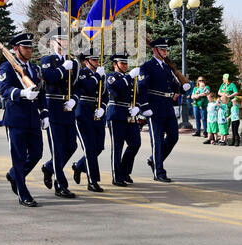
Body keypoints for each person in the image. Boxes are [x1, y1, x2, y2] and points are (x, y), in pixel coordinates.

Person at [0, 32, 48, 208]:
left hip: (32, 117)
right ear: (16, 49)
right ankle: (23, 192)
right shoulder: (7, 67)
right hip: (16, 118)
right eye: (25, 47)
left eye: (30, 47)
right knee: (18, 157)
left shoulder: (34, 69)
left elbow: (41, 92)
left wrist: (45, 112)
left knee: (36, 153)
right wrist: (21, 93)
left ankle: (14, 175)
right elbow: (3, 90)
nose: (29, 50)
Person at [138, 38, 190, 183]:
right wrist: (144, 107)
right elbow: (141, 87)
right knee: (157, 140)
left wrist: (182, 88)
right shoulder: (147, 66)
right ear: (155, 50)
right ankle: (158, 172)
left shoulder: (167, 67)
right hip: (154, 107)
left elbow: (173, 86)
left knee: (173, 136)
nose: (165, 52)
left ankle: (154, 159)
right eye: (162, 49)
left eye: (166, 49)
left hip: (167, 106)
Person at [40, 27, 80, 199]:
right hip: (54, 107)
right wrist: (63, 68)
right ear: (52, 43)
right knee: (58, 148)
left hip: (68, 108)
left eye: (65, 40)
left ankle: (49, 167)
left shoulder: (74, 62)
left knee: (71, 146)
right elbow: (49, 77)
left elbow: (77, 86)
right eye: (59, 40)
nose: (63, 44)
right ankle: (60, 184)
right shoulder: (47, 60)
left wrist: (75, 100)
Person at [72, 48, 108, 193]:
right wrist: (96, 77)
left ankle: (79, 166)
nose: (97, 62)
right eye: (94, 60)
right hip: (83, 112)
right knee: (90, 148)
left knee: (99, 147)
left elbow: (105, 95)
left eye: (98, 60)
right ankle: (92, 181)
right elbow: (87, 87)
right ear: (86, 62)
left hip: (97, 113)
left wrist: (103, 108)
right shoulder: (81, 73)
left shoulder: (101, 75)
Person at [106, 52, 141, 186]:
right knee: (117, 147)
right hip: (116, 114)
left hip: (130, 115)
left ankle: (125, 171)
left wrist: (137, 106)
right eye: (123, 63)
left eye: (127, 63)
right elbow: (117, 88)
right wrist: (130, 76)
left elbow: (136, 95)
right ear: (115, 64)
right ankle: (117, 176)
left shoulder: (130, 78)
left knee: (135, 143)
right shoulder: (111, 76)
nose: (126, 66)